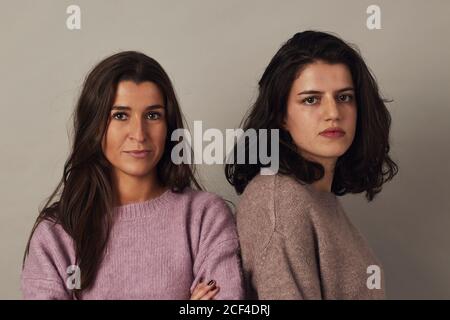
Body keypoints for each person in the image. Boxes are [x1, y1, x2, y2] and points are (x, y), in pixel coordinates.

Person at [22, 51, 244, 300]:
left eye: (153, 115)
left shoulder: (205, 217)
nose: (139, 134)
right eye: (120, 115)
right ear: (94, 125)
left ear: (169, 125)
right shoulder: (57, 233)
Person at [225, 31, 398, 299]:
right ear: (281, 115)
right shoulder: (278, 200)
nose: (333, 114)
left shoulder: (316, 197)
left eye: (344, 97)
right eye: (311, 99)